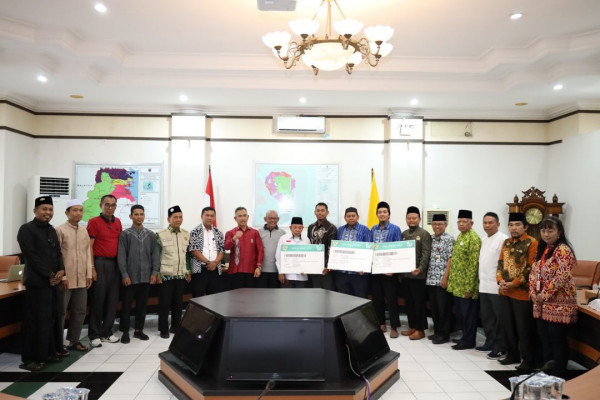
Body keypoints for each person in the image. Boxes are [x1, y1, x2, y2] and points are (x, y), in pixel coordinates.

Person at [17, 196, 66, 371]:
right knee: (35, 321)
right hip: (37, 283)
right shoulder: (26, 229)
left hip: (52, 283)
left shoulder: (51, 230)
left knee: (51, 319)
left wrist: (61, 270)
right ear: (35, 210)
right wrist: (49, 274)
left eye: (50, 209)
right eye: (44, 209)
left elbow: (58, 253)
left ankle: (48, 353)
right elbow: (31, 256)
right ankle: (29, 359)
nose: (48, 212)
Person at [529, 216, 576, 377]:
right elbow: (533, 272)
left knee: (557, 339)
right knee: (544, 338)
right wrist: (533, 292)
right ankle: (547, 370)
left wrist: (544, 293)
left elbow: (562, 276)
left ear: (559, 232)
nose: (546, 234)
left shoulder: (563, 250)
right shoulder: (543, 249)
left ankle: (559, 373)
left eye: (550, 230)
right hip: (541, 303)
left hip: (558, 303)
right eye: (543, 230)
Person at [496, 212, 538, 370]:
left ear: (525, 227)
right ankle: (512, 355)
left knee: (523, 329)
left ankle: (528, 360)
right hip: (505, 292)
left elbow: (531, 267)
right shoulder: (506, 242)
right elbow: (500, 263)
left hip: (522, 294)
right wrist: (500, 280)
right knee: (508, 327)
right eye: (511, 225)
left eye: (518, 225)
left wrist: (513, 283)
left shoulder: (532, 242)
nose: (514, 228)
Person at [117, 205, 160, 344]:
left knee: (142, 306)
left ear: (144, 216)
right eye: (136, 214)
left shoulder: (151, 235)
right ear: (130, 216)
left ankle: (138, 330)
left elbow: (155, 255)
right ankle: (125, 332)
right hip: (130, 277)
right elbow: (121, 256)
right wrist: (124, 274)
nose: (139, 216)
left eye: (141, 214)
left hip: (146, 277)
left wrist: (154, 272)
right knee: (127, 306)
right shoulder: (125, 234)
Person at [55, 199, 92, 352]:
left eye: (80, 210)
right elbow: (56, 255)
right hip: (66, 279)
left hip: (81, 279)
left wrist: (89, 273)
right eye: (75, 210)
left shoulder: (84, 231)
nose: (78, 213)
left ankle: (74, 341)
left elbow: (87, 253)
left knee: (80, 311)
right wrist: (62, 277)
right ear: (67, 213)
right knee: (61, 312)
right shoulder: (60, 230)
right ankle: (57, 344)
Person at [87, 194, 122, 347]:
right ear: (101, 205)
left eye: (113, 205)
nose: (110, 208)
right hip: (99, 263)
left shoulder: (118, 222)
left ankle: (106, 332)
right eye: (107, 205)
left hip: (115, 264)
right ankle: (94, 334)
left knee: (112, 300)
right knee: (98, 300)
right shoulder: (94, 222)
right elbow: (89, 246)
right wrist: (92, 268)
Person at [447, 209, 481, 350]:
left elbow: (473, 265)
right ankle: (464, 337)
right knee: (461, 314)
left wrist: (469, 288)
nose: (461, 224)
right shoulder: (461, 236)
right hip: (457, 285)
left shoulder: (474, 239)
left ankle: (469, 341)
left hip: (466, 286)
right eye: (459, 221)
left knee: (468, 315)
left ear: (471, 223)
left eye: (464, 222)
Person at [156, 205, 191, 339]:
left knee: (178, 303)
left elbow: (187, 255)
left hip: (181, 274)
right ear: (168, 219)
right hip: (166, 275)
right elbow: (156, 255)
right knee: (164, 304)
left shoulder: (186, 234)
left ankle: (176, 326)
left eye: (180, 217)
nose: (178, 219)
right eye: (175, 217)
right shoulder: (160, 235)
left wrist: (188, 270)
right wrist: (157, 273)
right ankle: (163, 329)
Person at [477, 212, 508, 359]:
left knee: (498, 319)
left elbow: (505, 264)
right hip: (483, 285)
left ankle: (500, 347)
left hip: (496, 286)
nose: (487, 225)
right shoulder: (483, 240)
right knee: (487, 317)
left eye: (491, 223)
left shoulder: (503, 239)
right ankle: (489, 342)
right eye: (485, 223)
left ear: (498, 224)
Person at [370, 201, 402, 338]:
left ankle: (394, 327)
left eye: (384, 212)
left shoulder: (395, 229)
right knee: (377, 298)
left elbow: (398, 250)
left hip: (390, 272)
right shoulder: (373, 229)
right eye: (380, 212)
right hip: (376, 270)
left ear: (389, 214)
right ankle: (381, 323)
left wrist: (393, 270)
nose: (382, 214)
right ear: (377, 214)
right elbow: (369, 248)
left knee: (391, 299)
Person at [400, 206, 432, 341]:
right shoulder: (404, 234)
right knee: (409, 303)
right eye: (409, 218)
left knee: (419, 303)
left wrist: (420, 268)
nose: (411, 220)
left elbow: (426, 254)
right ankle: (412, 326)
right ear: (406, 219)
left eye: (414, 218)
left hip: (419, 276)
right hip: (406, 275)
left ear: (419, 219)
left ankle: (420, 330)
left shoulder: (424, 234)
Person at [425, 213, 455, 345]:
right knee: (434, 309)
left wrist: (445, 277)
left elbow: (451, 259)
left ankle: (444, 334)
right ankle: (437, 332)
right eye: (435, 224)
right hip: (431, 279)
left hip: (442, 280)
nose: (437, 226)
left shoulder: (449, 239)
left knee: (444, 309)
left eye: (440, 224)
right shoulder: (430, 238)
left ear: (445, 225)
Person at [335, 207, 372, 298]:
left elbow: (369, 250)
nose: (351, 218)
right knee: (343, 299)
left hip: (359, 273)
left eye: (353, 216)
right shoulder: (340, 230)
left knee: (360, 300)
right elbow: (336, 249)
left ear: (358, 217)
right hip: (342, 273)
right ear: (345, 218)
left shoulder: (365, 230)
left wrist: (365, 268)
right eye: (348, 216)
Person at [224, 207, 264, 289]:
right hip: (235, 271)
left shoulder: (254, 233)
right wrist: (234, 238)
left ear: (248, 217)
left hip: (251, 270)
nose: (242, 218)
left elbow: (260, 250)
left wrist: (258, 267)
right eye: (240, 216)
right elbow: (226, 247)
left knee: (250, 295)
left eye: (244, 215)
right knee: (235, 295)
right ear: (235, 218)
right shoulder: (230, 233)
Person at [189, 206, 225, 296]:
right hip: (200, 270)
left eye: (212, 216)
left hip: (215, 269)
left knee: (214, 298)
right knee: (198, 297)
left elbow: (221, 250)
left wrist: (215, 263)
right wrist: (208, 262)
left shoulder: (218, 232)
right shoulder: (195, 231)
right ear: (202, 216)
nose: (209, 218)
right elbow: (194, 250)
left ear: (215, 217)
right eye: (207, 215)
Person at [307, 202, 338, 290]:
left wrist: (328, 266)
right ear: (315, 212)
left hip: (326, 268)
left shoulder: (331, 228)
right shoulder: (310, 227)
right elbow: (309, 246)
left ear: (327, 212)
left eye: (322, 210)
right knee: (315, 292)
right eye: (318, 210)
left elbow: (332, 249)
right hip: (313, 266)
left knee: (327, 292)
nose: (320, 213)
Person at [275, 217, 310, 288]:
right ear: (290, 227)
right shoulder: (283, 238)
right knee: (286, 295)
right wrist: (280, 273)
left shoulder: (306, 240)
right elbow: (278, 256)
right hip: (287, 276)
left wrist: (306, 269)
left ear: (303, 228)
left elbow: (309, 257)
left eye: (299, 227)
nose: (297, 229)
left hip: (301, 277)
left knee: (301, 295)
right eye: (295, 227)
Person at [257, 210, 285, 288]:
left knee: (275, 294)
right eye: (270, 218)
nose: (272, 220)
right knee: (261, 293)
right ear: (265, 219)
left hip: (277, 271)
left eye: (275, 218)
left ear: (278, 219)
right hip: (261, 270)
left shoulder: (283, 233)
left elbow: (284, 253)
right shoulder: (258, 232)